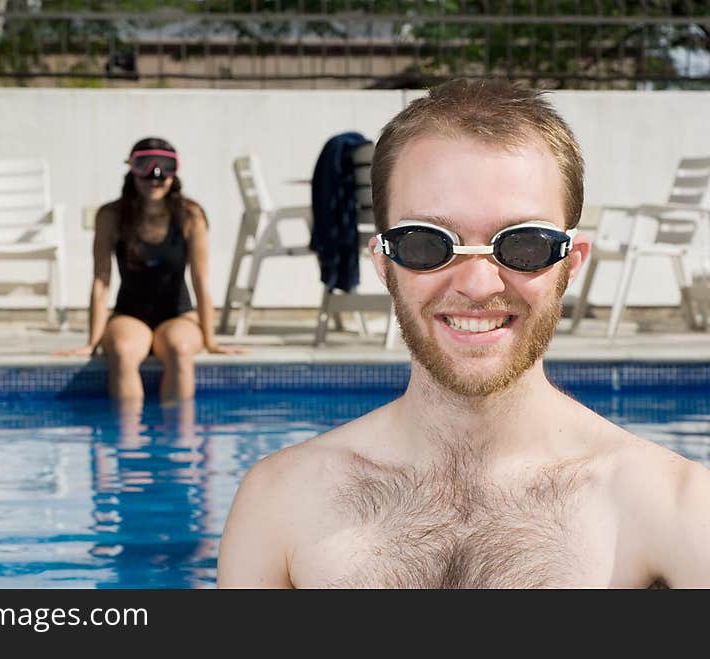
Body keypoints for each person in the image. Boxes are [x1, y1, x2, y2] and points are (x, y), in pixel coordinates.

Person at [217, 78, 710, 588]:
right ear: (385, 265)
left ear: (569, 264)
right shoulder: (280, 503)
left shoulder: (673, 511)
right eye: (427, 244)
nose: (478, 285)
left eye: (523, 245)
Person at [58, 137, 242, 403]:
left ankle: (180, 439)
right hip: (130, 315)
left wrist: (211, 341)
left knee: (179, 350)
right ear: (131, 170)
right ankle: (127, 441)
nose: (154, 176)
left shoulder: (190, 215)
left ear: (174, 173)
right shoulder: (111, 215)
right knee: (122, 352)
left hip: (179, 315)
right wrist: (92, 341)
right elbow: (101, 280)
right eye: (144, 166)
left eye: (164, 168)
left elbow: (201, 280)